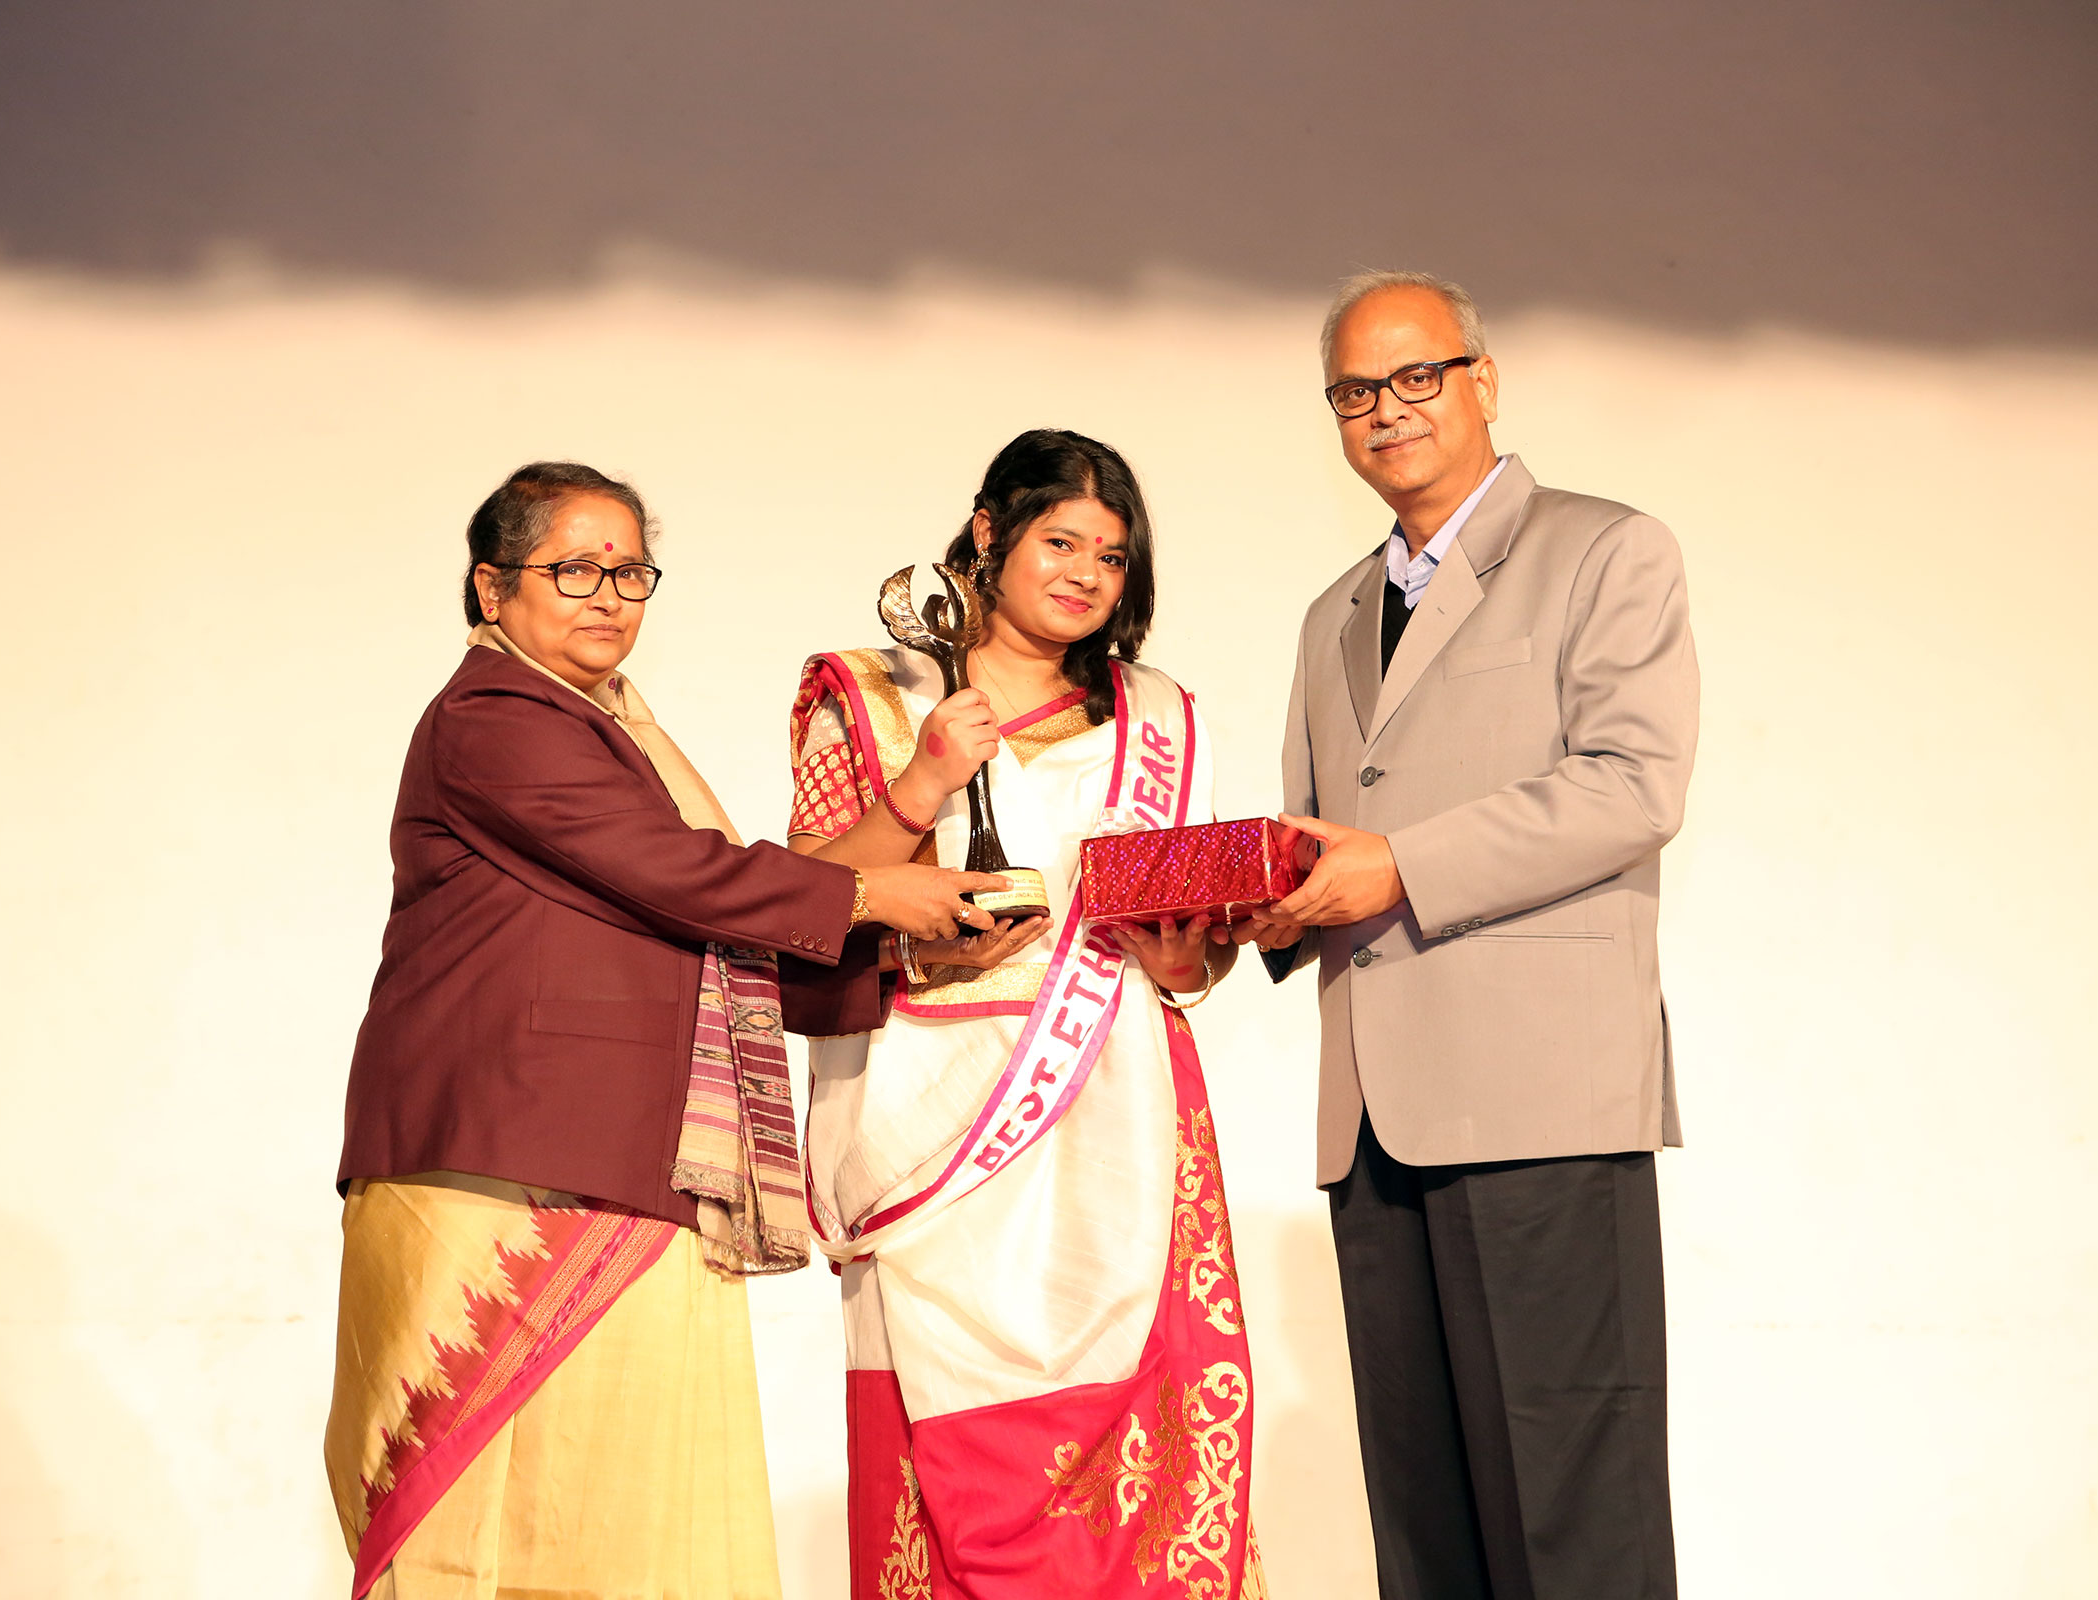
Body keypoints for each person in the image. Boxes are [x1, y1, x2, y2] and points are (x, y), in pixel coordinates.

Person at [323, 461, 1008, 1600]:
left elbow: (727, 920)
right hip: (503, 1171)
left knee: (626, 1522)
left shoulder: (615, 733)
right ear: (492, 588)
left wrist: (918, 826)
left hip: (617, 1165)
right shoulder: (496, 716)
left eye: (630, 570)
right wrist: (875, 898)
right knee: (481, 1526)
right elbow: (686, 878)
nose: (608, 595)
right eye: (574, 569)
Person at [1244, 273, 1699, 1599]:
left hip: (1541, 1104)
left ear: (1482, 380)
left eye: (1415, 376)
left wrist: (1399, 867)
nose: (1385, 410)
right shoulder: (1332, 614)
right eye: (1354, 391)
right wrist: (1234, 919)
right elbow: (1320, 840)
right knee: (1424, 1535)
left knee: (1576, 1525)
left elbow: (1634, 785)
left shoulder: (1605, 550)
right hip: (1372, 1121)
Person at [787, 429, 1266, 1600]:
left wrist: (1187, 955)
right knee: (947, 1460)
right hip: (930, 1125)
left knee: (1143, 1463)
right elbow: (802, 901)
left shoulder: (1156, 718)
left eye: (1112, 554)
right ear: (989, 531)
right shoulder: (873, 694)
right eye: (1061, 541)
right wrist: (924, 785)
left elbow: (1183, 956)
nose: (1086, 574)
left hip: (1119, 1115)